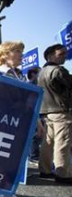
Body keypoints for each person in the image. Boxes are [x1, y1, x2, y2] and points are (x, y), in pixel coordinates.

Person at [0, 41, 39, 197]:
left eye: (22, 51)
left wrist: (36, 121)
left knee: (15, 161)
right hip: (2, 125)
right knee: (1, 161)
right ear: (4, 54)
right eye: (17, 51)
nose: (21, 55)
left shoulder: (20, 75)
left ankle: (9, 193)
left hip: (20, 124)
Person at [38, 44, 72, 184]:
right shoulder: (58, 70)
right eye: (61, 53)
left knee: (48, 142)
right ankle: (63, 174)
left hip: (47, 112)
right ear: (50, 55)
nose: (65, 55)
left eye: (65, 53)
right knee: (62, 142)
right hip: (61, 111)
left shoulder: (41, 72)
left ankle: (45, 170)